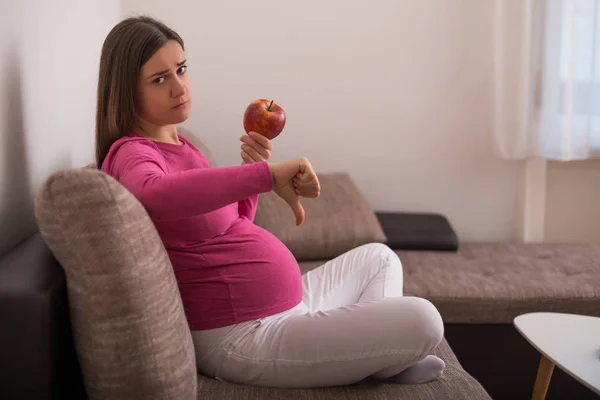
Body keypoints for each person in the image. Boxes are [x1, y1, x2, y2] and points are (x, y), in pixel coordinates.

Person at [97, 16, 445, 389]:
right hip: (242, 336)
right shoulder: (132, 154)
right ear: (127, 90)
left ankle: (376, 358)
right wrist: (265, 175)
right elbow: (156, 195)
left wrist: (252, 171)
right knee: (424, 320)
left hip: (288, 308)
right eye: (159, 79)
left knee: (379, 257)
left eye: (181, 69)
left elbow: (232, 224)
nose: (179, 87)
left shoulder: (184, 146)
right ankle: (381, 359)